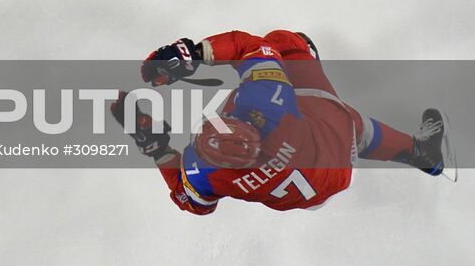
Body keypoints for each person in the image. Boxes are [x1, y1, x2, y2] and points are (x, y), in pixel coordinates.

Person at [113, 29, 451, 212]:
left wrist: (152, 144)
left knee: (338, 125)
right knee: (286, 44)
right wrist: (190, 54)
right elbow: (252, 46)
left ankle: (420, 154)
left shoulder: (207, 175)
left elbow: (189, 201)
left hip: (311, 195)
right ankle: (420, 153)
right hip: (328, 140)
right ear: (248, 126)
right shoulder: (269, 106)